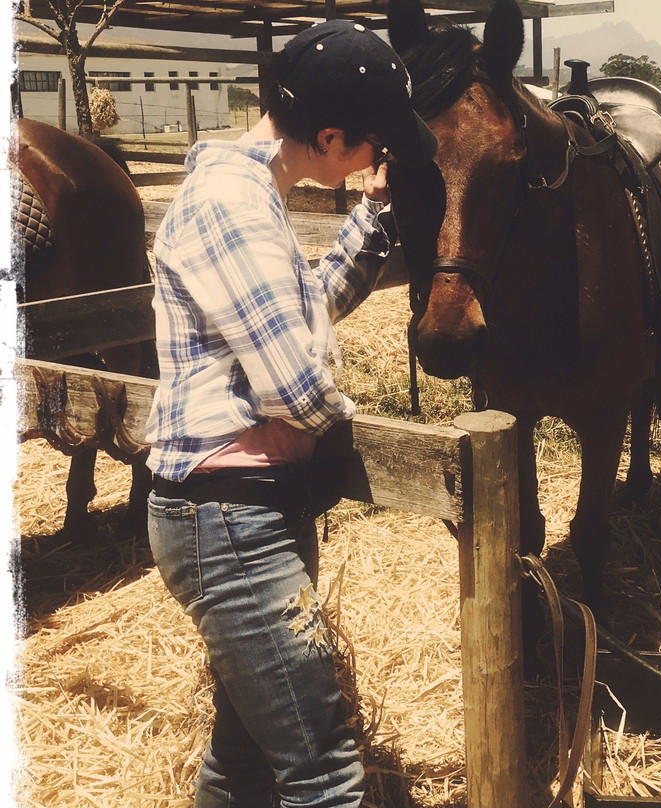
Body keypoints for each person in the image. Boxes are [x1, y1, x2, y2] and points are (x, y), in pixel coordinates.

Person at [144, 19, 436, 808]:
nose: (380, 157)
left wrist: (372, 216)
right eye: (376, 145)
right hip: (231, 519)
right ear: (331, 135)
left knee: (243, 759)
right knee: (326, 775)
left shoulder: (253, 196)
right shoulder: (232, 207)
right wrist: (383, 439)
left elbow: (305, 312)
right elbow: (294, 389)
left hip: (241, 512)